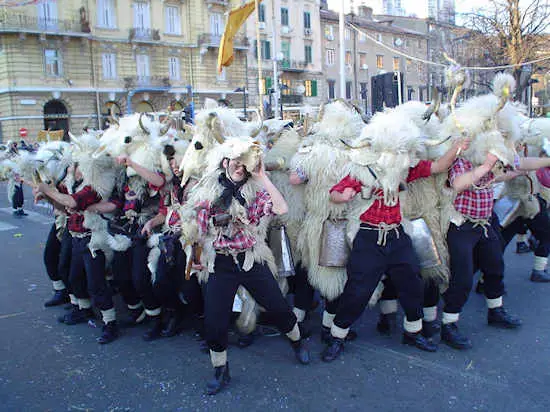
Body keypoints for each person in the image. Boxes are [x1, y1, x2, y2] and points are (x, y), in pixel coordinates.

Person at [182, 139, 310, 395]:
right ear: (226, 162)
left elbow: (281, 208)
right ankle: (221, 370)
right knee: (215, 323)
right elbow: (194, 227)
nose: (240, 167)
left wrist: (261, 176)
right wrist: (194, 251)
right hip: (220, 262)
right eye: (236, 162)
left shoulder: (256, 189)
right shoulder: (207, 189)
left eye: (245, 164)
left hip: (251, 260)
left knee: (279, 308)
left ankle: (297, 343)